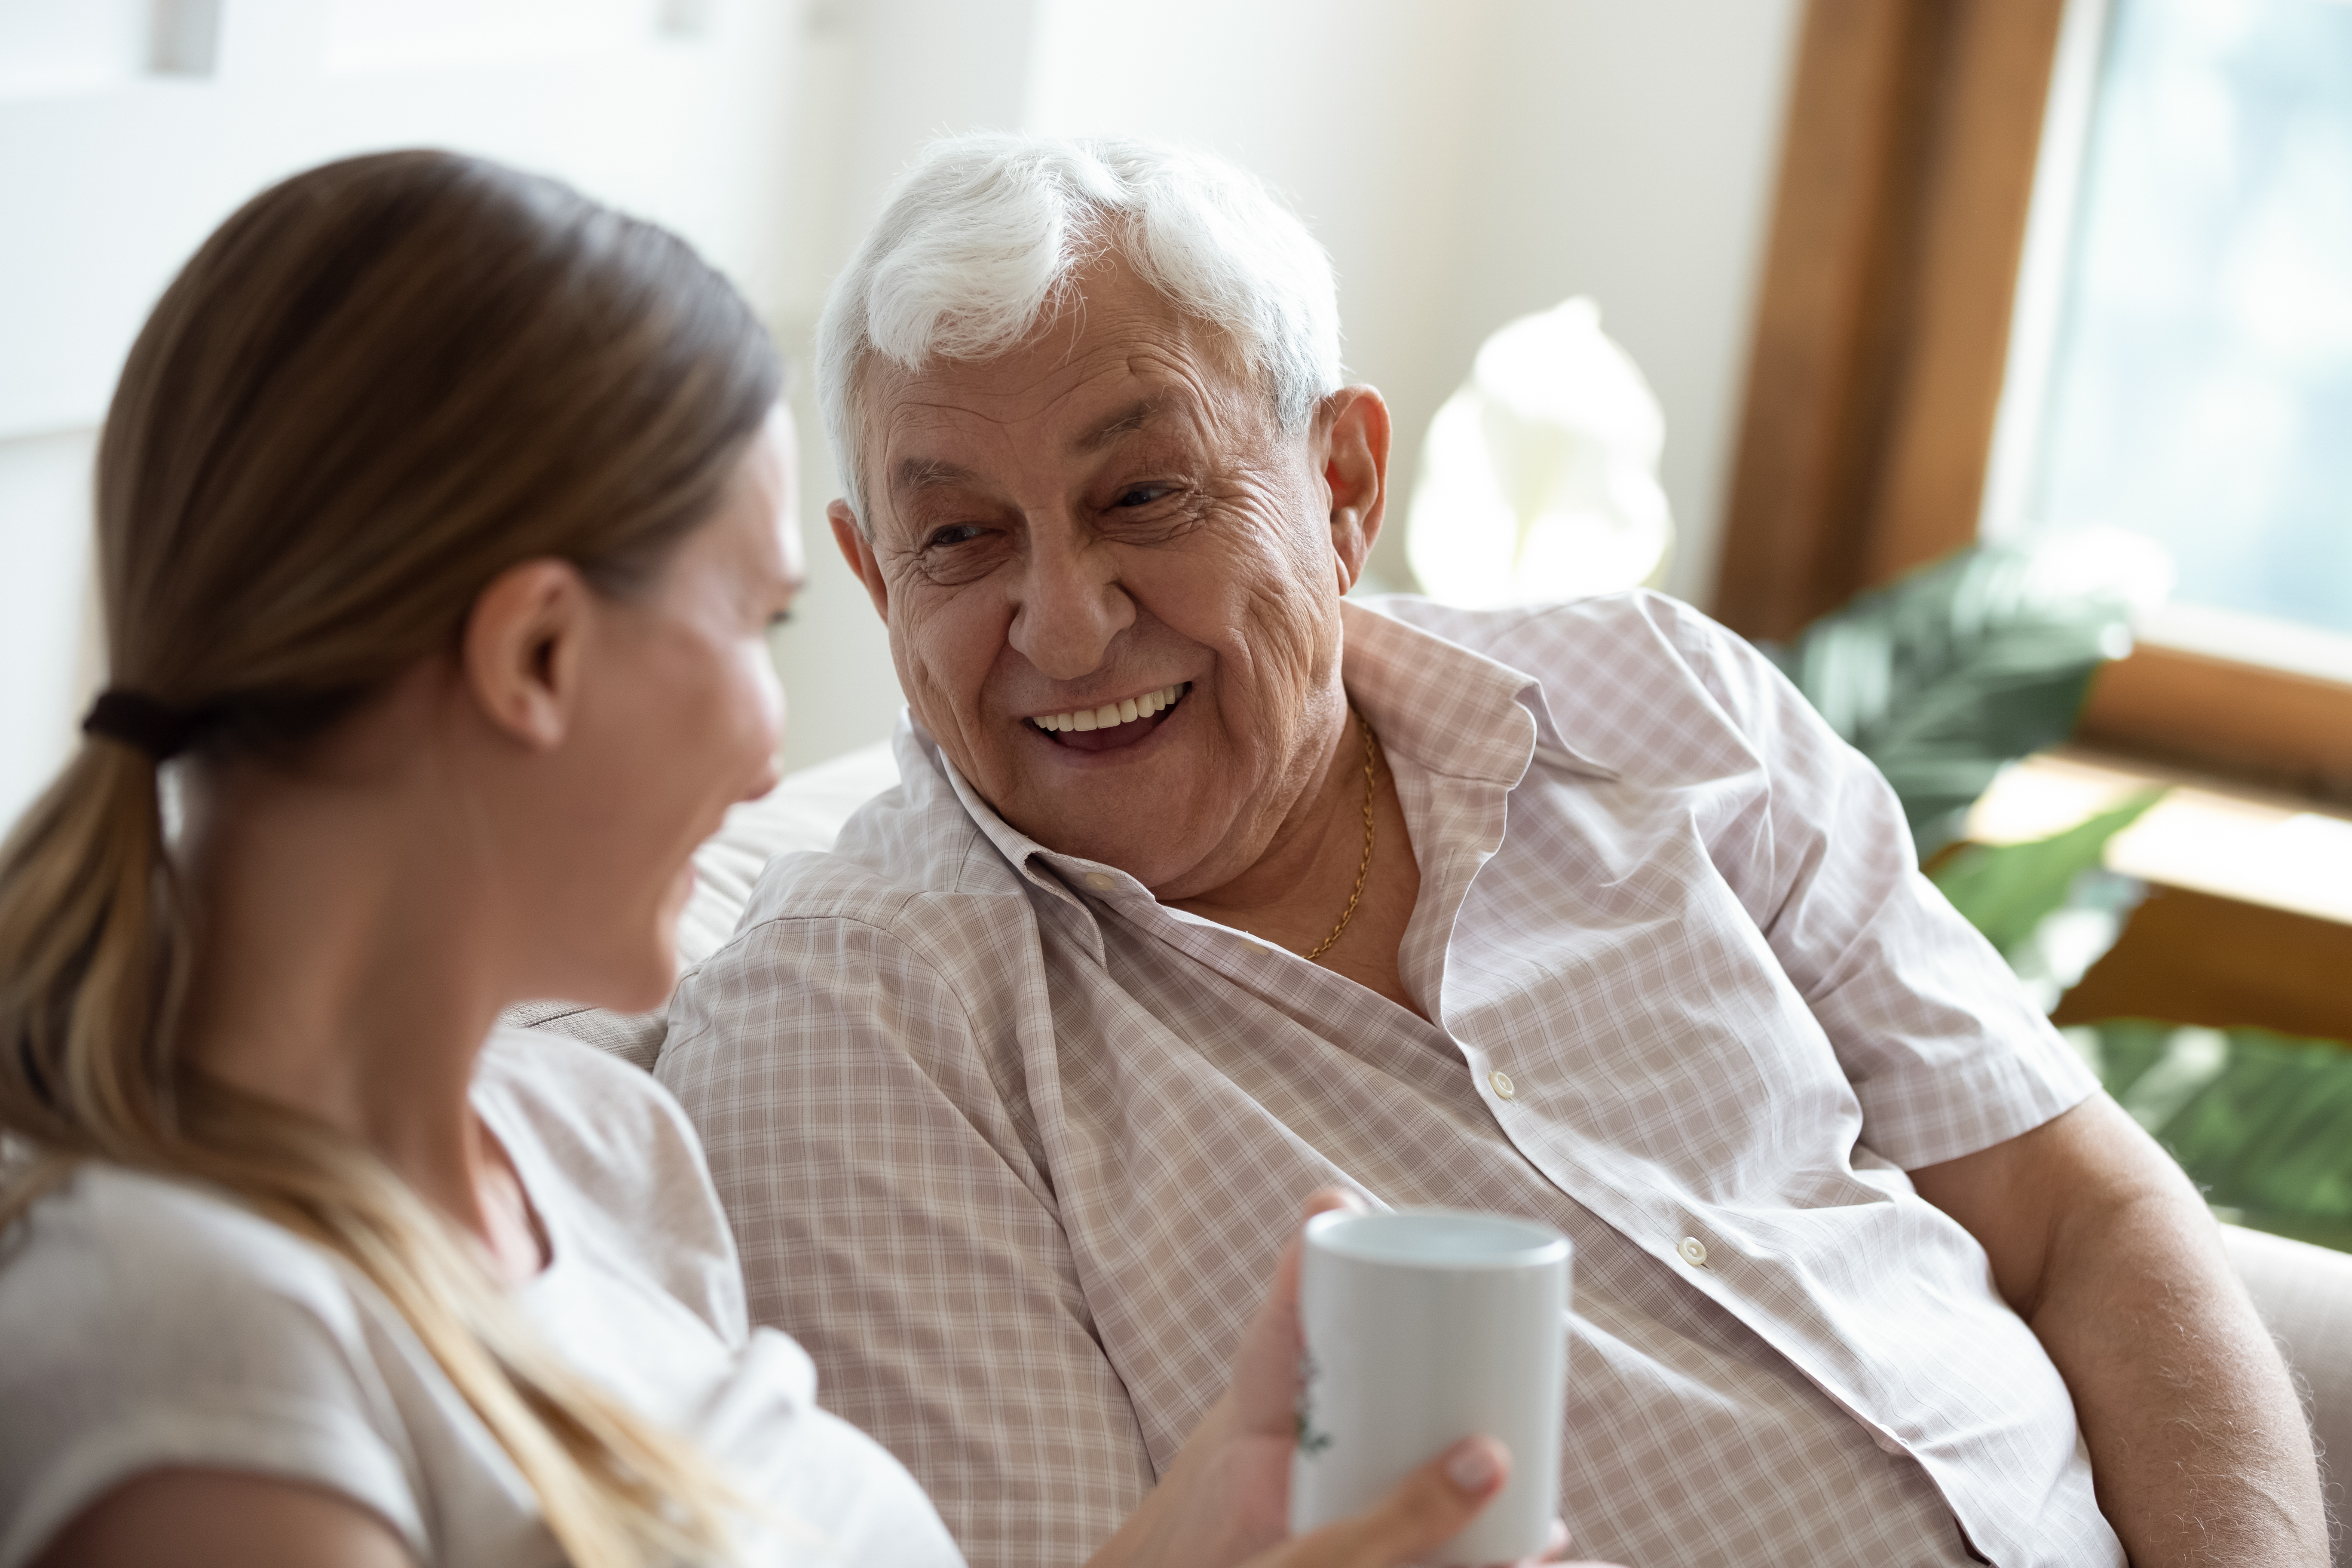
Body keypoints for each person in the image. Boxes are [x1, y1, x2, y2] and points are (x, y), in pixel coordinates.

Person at [656, 133, 2331, 1568]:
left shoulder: (1659, 703)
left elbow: (2082, 1215)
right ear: (879, 586)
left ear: (1342, 482)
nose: (1070, 626)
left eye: (1146, 496)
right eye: (962, 538)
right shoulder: (857, 1030)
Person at [0, 150, 1579, 1568]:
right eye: (761, 624)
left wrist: (1217, 1524)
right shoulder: (204, 1342)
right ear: (537, 658)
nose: (775, 757)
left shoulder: (589, 1147)